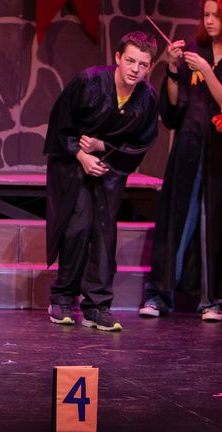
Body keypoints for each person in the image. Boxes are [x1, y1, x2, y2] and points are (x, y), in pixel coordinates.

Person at [141, 0, 222, 323]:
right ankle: (160, 294)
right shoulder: (195, 50)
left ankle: (212, 299)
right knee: (176, 218)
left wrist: (206, 70)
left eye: (216, 15)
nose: (209, 21)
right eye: (206, 14)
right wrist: (173, 68)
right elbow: (174, 109)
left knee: (214, 222)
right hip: (189, 147)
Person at [44, 31, 160, 332]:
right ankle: (63, 298)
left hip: (110, 170)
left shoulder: (147, 98)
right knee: (77, 227)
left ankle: (97, 305)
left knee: (104, 233)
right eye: (130, 61)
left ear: (150, 67)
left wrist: (102, 147)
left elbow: (142, 143)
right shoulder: (89, 82)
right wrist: (81, 154)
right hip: (73, 165)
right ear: (118, 58)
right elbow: (60, 124)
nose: (135, 69)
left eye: (143, 64)